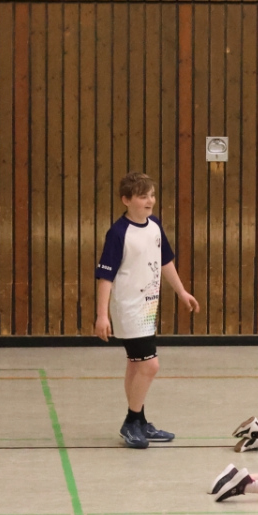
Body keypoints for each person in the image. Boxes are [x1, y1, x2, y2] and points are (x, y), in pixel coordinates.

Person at [94, 172, 200, 448]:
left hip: (148, 306)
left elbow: (165, 260)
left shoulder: (154, 225)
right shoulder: (119, 233)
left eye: (151, 195)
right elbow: (105, 277)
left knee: (136, 364)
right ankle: (131, 422)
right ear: (126, 200)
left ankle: (140, 421)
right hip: (129, 309)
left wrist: (181, 291)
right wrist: (102, 315)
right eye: (142, 196)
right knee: (150, 365)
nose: (150, 201)